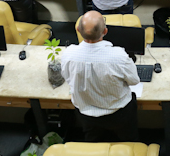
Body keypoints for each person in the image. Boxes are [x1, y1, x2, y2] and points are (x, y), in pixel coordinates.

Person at [60, 11, 140, 142]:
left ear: (78, 29)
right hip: (118, 113)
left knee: (92, 142)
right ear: (105, 31)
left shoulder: (68, 54)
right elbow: (134, 80)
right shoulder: (118, 56)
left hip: (86, 114)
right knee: (129, 140)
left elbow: (67, 78)